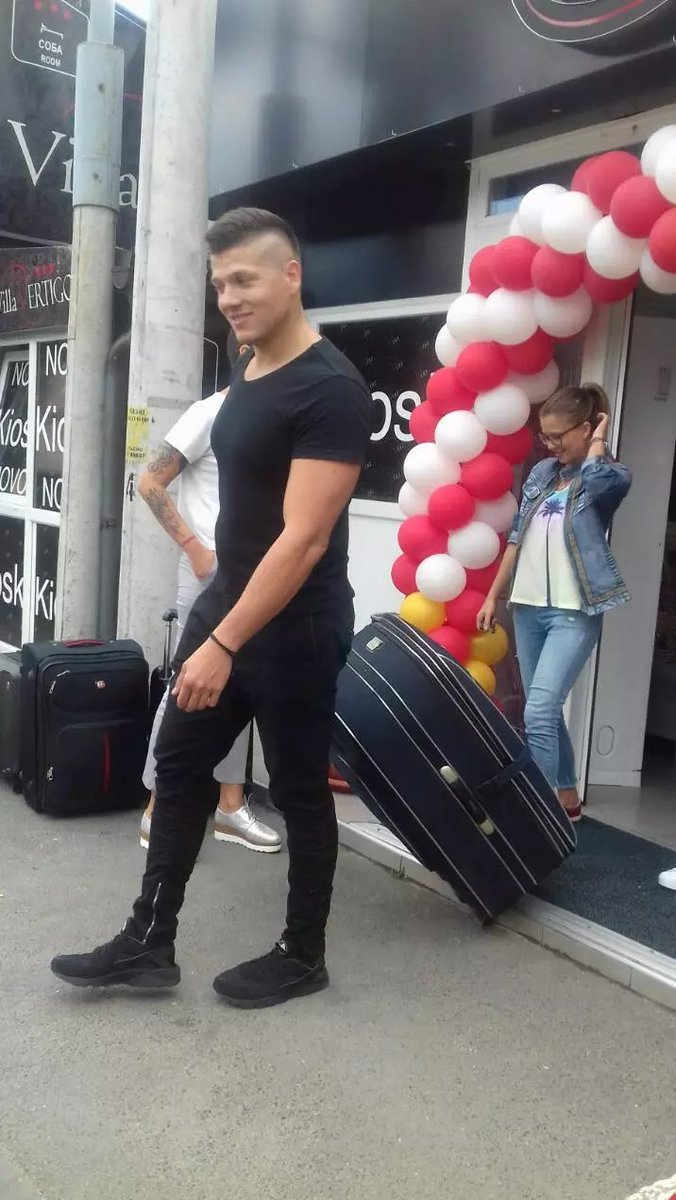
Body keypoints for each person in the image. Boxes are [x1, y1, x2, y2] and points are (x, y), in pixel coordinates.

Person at [50, 207, 373, 1007]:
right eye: (220, 283)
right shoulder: (249, 367)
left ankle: (303, 953)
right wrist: (214, 612)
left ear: (291, 275)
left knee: (298, 789)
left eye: (244, 280)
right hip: (227, 603)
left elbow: (303, 541)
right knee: (180, 763)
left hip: (296, 628)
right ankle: (148, 943)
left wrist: (223, 644)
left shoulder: (332, 389)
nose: (228, 298)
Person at [136, 336, 281, 855]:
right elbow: (149, 482)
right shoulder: (208, 413)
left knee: (238, 684)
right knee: (187, 683)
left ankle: (229, 807)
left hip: (256, 573)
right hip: (210, 572)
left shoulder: (269, 417)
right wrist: (194, 548)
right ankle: (157, 809)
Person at [477, 383, 631, 824]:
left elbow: (598, 483)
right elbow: (517, 535)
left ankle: (538, 815)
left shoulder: (610, 475)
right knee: (544, 708)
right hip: (528, 608)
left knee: (539, 710)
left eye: (559, 435)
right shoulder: (544, 472)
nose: (550, 445)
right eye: (545, 436)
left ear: (586, 428)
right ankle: (566, 797)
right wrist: (493, 594)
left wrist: (599, 440)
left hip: (572, 612)